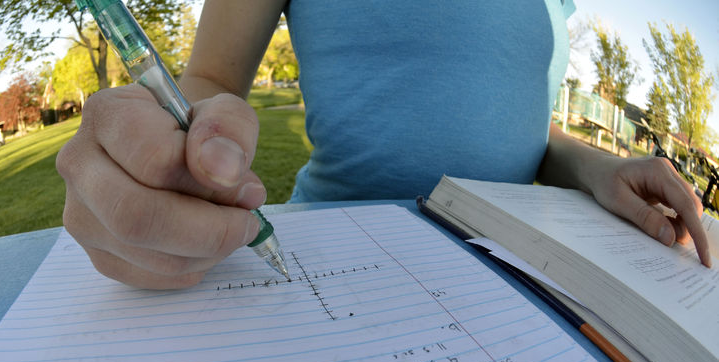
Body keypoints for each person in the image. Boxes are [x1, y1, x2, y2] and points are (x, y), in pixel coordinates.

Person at [57, 0, 711, 290]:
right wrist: (160, 139)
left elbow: (523, 124)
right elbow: (210, 80)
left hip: (524, 275)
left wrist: (599, 167)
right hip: (348, 266)